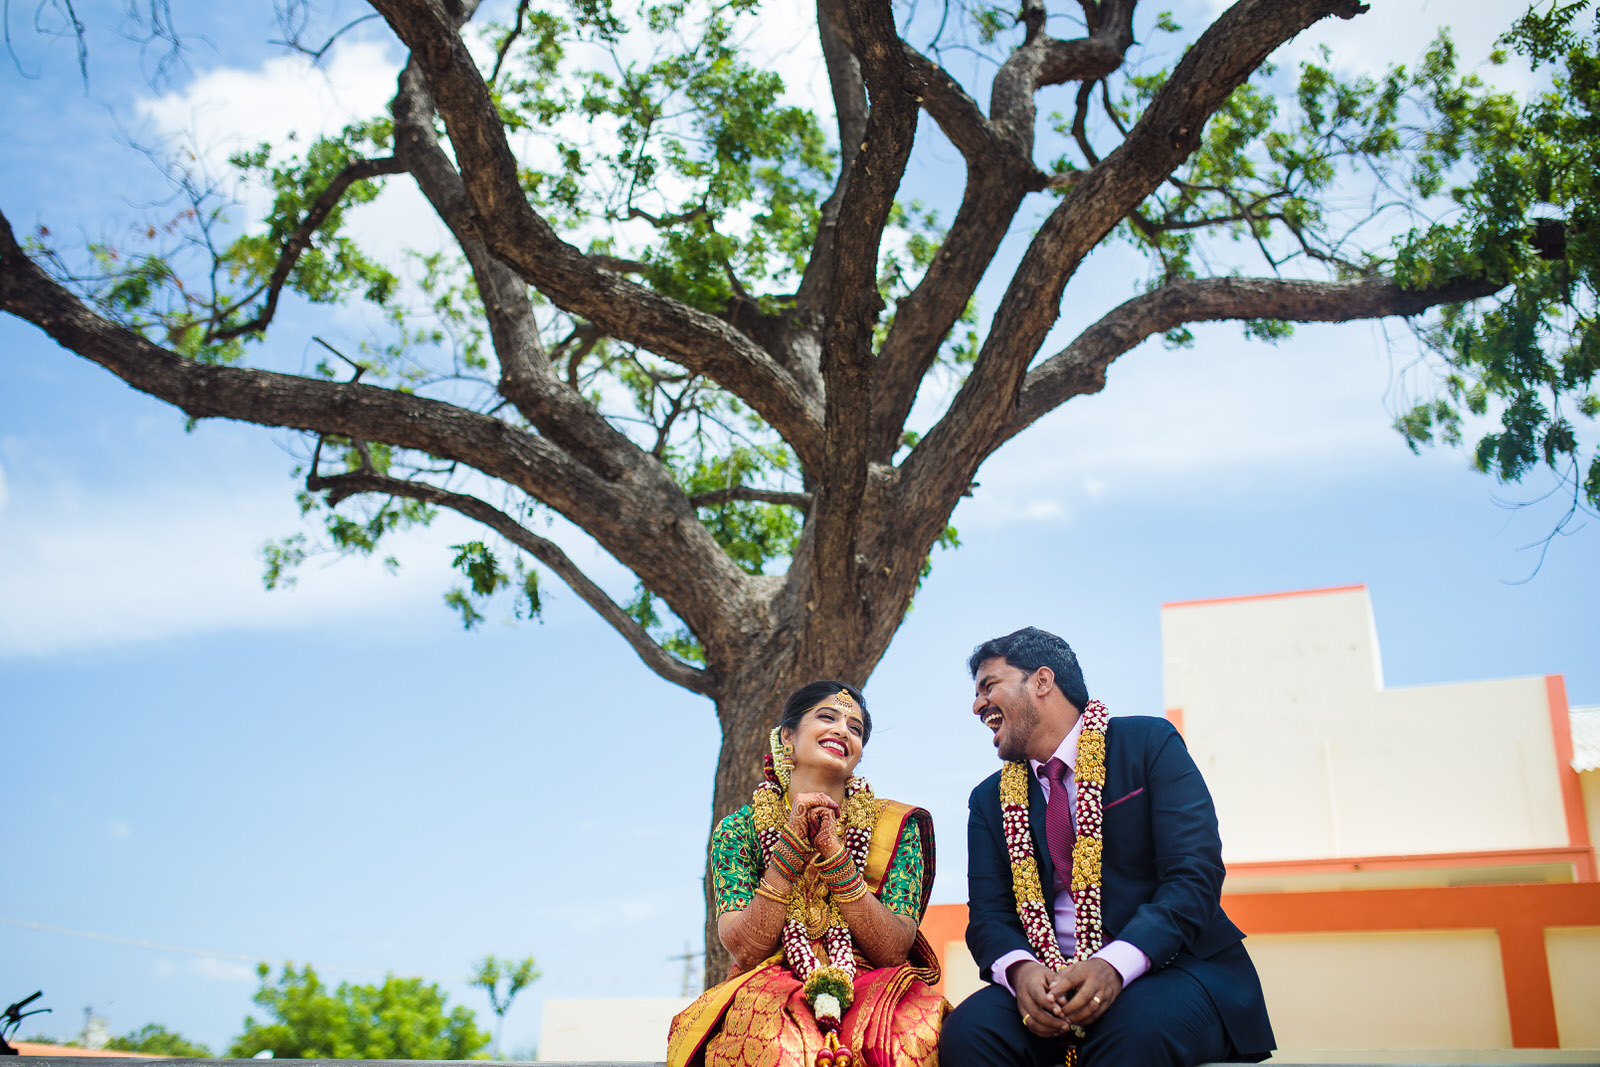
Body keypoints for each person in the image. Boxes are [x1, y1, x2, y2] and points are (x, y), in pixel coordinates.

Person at [941, 628, 1274, 1067]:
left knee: (1129, 1035)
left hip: (1172, 967)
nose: (977, 705)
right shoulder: (989, 800)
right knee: (968, 1036)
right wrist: (1022, 973)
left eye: (989, 686)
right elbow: (988, 916)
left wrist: (1113, 965)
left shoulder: (1148, 744)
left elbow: (1194, 875)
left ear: (1042, 682)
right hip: (1048, 984)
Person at [669, 681, 947, 1067]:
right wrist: (788, 852)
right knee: (773, 1045)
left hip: (873, 983)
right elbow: (745, 948)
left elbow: (893, 949)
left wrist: (836, 856)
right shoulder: (739, 829)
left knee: (910, 1037)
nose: (842, 730)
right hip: (768, 980)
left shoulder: (897, 826)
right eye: (827, 717)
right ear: (787, 736)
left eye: (856, 728)